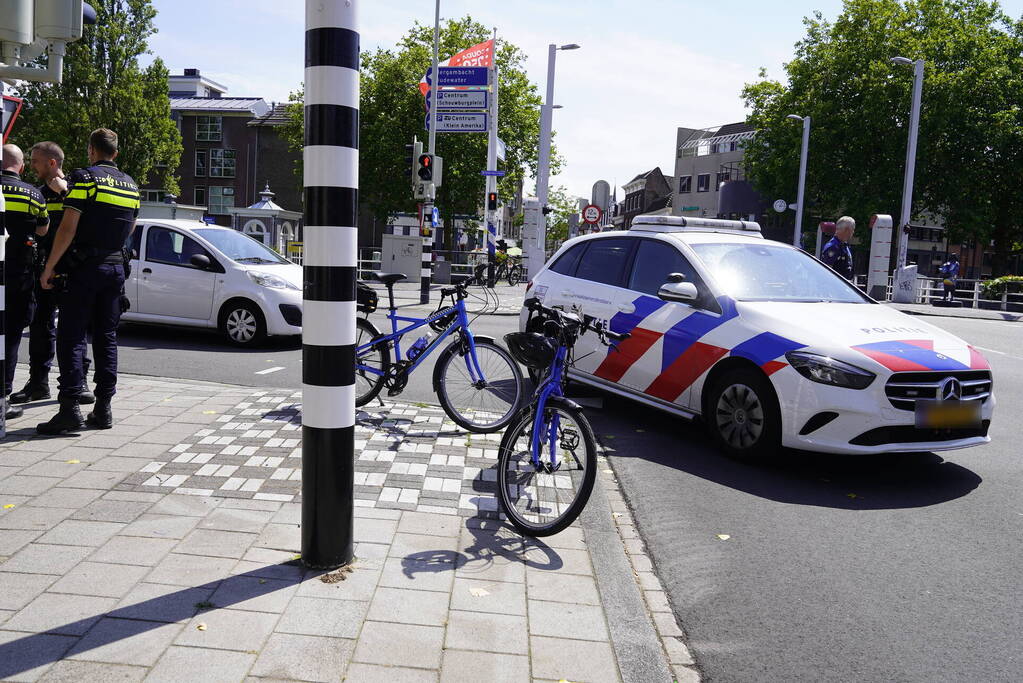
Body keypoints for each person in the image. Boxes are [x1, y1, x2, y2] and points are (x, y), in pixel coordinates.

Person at [37, 129, 139, 434]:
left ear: (92, 150)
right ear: (115, 154)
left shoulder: (85, 179)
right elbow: (130, 227)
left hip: (83, 270)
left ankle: (69, 410)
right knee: (106, 337)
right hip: (115, 269)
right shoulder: (131, 185)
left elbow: (68, 228)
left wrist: (49, 267)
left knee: (70, 336)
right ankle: (103, 408)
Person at [10, 142, 95, 406]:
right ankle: (38, 383)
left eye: (35, 161)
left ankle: (78, 382)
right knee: (40, 327)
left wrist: (66, 193)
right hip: (41, 269)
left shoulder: (75, 189)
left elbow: (89, 222)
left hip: (70, 270)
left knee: (74, 329)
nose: (31, 165)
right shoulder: (36, 194)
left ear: (52, 163)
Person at [1, 143, 50, 420]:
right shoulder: (33, 194)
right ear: (20, 166)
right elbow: (43, 230)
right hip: (19, 275)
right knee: (10, 337)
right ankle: (3, 396)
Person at [821, 215, 855, 280]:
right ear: (847, 230)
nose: (853, 232)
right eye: (852, 229)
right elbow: (826, 272)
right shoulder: (833, 246)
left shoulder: (844, 245)